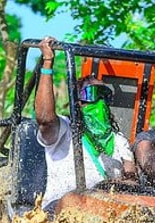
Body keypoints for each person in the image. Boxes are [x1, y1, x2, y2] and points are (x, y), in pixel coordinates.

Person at [35, 36, 136, 211]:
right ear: (78, 102)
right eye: (92, 94)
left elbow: (132, 180)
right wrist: (48, 62)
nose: (100, 101)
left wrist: (116, 185)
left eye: (104, 95)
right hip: (59, 209)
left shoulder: (119, 141)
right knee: (73, 201)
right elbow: (45, 119)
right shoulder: (65, 130)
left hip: (103, 210)